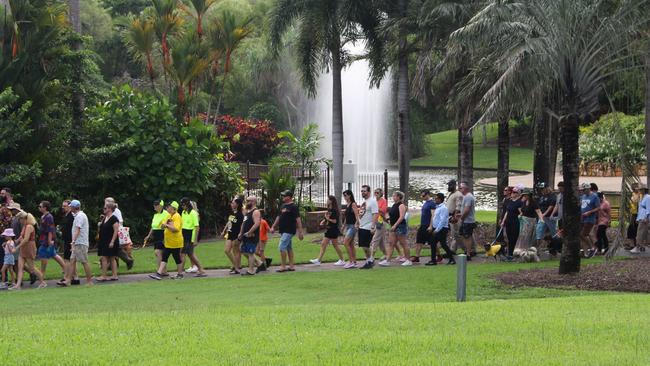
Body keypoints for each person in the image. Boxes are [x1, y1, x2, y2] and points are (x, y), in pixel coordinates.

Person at [59, 200, 93, 286]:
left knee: (84, 261)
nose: (70, 208)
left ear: (74, 207)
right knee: (72, 261)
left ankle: (89, 281)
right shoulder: (78, 215)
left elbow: (78, 229)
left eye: (71, 206)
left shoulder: (80, 216)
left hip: (80, 242)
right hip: (77, 242)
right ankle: (68, 280)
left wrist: (73, 241)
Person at [10, 212, 46, 290]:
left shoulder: (29, 226)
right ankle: (17, 285)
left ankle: (42, 282)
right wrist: (15, 241)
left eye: (20, 219)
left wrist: (17, 247)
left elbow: (26, 239)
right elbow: (21, 237)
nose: (19, 221)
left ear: (24, 219)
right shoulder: (24, 226)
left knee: (32, 268)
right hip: (23, 248)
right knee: (20, 267)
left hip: (29, 247)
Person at [270, 190, 303, 272]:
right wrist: (273, 226)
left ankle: (283, 266)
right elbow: (278, 217)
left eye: (284, 196)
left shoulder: (293, 207)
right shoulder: (282, 206)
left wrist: (300, 231)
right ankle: (291, 266)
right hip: (283, 230)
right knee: (288, 247)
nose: (283, 197)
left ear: (289, 197)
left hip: (289, 230)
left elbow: (298, 219)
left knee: (281, 247)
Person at [149, 201, 184, 280]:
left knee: (177, 258)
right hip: (169, 242)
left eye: (169, 206)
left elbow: (176, 229)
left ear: (173, 208)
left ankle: (180, 274)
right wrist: (163, 225)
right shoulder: (169, 216)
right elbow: (163, 226)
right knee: (164, 257)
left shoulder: (176, 216)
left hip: (175, 242)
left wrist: (167, 225)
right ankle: (159, 274)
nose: (167, 207)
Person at [310, 195, 345, 266]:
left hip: (333, 230)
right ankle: (318, 260)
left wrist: (327, 219)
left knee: (335, 245)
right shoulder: (329, 209)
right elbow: (327, 218)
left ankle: (342, 260)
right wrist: (323, 221)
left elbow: (335, 221)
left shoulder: (334, 211)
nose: (327, 200)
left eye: (328, 199)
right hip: (329, 229)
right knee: (324, 244)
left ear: (331, 201)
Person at [379, 191, 411, 266]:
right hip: (393, 226)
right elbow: (393, 215)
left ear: (398, 197)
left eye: (394, 196)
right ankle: (387, 260)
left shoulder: (401, 205)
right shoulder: (394, 205)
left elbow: (401, 217)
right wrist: (388, 220)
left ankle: (408, 260)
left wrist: (395, 225)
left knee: (403, 243)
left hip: (400, 226)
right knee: (391, 243)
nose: (393, 197)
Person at [37, 201, 66, 277]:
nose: (39, 208)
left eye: (40, 206)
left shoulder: (49, 217)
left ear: (45, 208)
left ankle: (42, 274)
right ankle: (66, 268)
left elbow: (50, 229)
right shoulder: (43, 216)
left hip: (47, 239)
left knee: (43, 255)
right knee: (53, 254)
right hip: (43, 238)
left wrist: (49, 240)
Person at [426, 193, 456, 265]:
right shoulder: (438, 207)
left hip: (441, 229)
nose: (435, 200)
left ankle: (435, 260)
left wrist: (437, 230)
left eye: (436, 198)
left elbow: (442, 221)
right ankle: (435, 260)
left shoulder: (443, 208)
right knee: (438, 244)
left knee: (439, 244)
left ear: (440, 199)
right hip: (437, 228)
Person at [105, 197, 134, 270]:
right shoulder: (108, 211)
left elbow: (120, 222)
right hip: (111, 232)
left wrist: (115, 229)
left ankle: (126, 261)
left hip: (115, 232)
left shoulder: (116, 211)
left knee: (116, 249)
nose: (104, 204)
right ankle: (113, 264)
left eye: (105, 202)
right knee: (115, 249)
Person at [180, 198, 207, 277]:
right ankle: (201, 270)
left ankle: (180, 273)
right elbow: (183, 224)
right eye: (181, 205)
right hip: (184, 234)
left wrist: (195, 240)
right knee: (190, 254)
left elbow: (197, 227)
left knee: (183, 254)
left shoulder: (193, 213)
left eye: (183, 205)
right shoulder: (183, 212)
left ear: (187, 204)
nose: (182, 206)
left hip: (190, 235)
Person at [513, 190, 544, 257]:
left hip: (531, 221)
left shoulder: (533, 203)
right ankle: (521, 250)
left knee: (529, 236)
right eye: (524, 195)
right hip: (524, 221)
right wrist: (520, 215)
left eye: (526, 195)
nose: (525, 196)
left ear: (529, 195)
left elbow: (538, 211)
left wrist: (541, 219)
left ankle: (529, 250)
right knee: (523, 235)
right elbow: (523, 211)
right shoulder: (524, 202)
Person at [143, 200, 168, 277]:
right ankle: (164, 271)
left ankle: (159, 271)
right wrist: (148, 235)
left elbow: (166, 225)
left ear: (160, 206)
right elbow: (153, 227)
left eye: (156, 205)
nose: (154, 207)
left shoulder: (166, 214)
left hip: (163, 234)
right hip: (156, 235)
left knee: (158, 252)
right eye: (154, 205)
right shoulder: (156, 215)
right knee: (160, 253)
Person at [97, 202, 120, 282]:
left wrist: (112, 241)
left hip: (110, 241)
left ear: (110, 209)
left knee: (106, 258)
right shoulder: (105, 218)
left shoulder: (114, 219)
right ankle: (114, 275)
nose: (104, 209)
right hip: (104, 241)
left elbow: (115, 231)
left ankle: (104, 276)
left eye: (105, 208)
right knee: (110, 258)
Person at [238, 196, 261, 275]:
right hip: (245, 235)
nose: (247, 202)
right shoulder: (247, 212)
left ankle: (251, 271)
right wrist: (241, 233)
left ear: (254, 202)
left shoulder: (256, 211)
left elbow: (257, 223)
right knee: (243, 250)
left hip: (252, 235)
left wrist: (250, 232)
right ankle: (259, 263)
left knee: (250, 252)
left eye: (249, 201)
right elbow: (243, 223)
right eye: (246, 201)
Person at [358, 185, 379, 269]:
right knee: (363, 245)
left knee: (366, 245)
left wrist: (373, 226)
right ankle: (369, 261)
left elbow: (375, 214)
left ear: (369, 192)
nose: (363, 192)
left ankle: (370, 261)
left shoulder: (372, 201)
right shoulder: (365, 202)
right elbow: (363, 213)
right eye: (362, 191)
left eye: (364, 191)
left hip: (368, 226)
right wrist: (358, 222)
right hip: (362, 226)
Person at [413, 190, 436, 263]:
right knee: (419, 241)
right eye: (421, 196)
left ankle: (438, 255)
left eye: (423, 196)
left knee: (431, 242)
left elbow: (433, 215)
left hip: (427, 225)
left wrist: (431, 226)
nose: (422, 197)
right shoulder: (426, 203)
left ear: (428, 195)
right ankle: (417, 256)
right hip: (423, 225)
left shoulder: (432, 203)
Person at [60, 200, 79, 285]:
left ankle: (67, 277)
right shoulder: (66, 216)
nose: (63, 207)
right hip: (67, 239)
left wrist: (73, 241)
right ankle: (74, 277)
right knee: (71, 259)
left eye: (65, 206)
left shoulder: (72, 216)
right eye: (63, 206)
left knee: (67, 259)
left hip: (70, 240)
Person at [500, 187, 523, 259]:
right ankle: (510, 253)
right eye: (512, 192)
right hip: (508, 222)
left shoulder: (519, 202)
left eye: (514, 192)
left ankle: (512, 253)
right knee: (509, 238)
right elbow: (507, 212)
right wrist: (503, 221)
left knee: (514, 238)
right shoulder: (510, 201)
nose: (512, 193)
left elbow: (521, 212)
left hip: (515, 222)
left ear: (518, 194)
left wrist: (520, 215)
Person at [580, 182, 600, 258]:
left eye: (584, 190)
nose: (583, 191)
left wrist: (590, 212)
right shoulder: (583, 196)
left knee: (583, 234)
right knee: (581, 235)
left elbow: (598, 208)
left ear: (588, 189)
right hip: (582, 218)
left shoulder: (594, 196)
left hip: (590, 219)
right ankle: (586, 251)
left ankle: (592, 247)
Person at [224, 196, 244, 274]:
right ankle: (235, 265)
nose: (231, 204)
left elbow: (242, 225)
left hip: (236, 234)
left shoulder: (240, 215)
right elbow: (229, 222)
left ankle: (236, 268)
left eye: (233, 203)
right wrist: (224, 231)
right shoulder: (231, 212)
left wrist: (240, 234)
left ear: (237, 204)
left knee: (236, 251)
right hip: (230, 234)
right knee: (227, 250)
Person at [457, 182, 476, 260]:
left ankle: (468, 253)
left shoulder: (468, 197)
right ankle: (468, 251)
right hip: (466, 220)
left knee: (467, 236)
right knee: (464, 236)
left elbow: (467, 209)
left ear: (465, 188)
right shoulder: (466, 196)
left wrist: (462, 217)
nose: (459, 189)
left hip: (468, 221)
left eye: (460, 188)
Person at [341, 190, 360, 268]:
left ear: (349, 195)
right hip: (348, 225)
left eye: (345, 195)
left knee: (345, 242)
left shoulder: (353, 204)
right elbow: (346, 217)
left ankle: (351, 261)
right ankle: (354, 261)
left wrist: (357, 223)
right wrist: (343, 226)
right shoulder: (347, 204)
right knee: (351, 244)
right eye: (344, 195)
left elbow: (356, 215)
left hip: (353, 226)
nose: (344, 197)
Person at [535, 183, 557, 249]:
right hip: (542, 217)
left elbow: (551, 206)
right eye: (541, 189)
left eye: (543, 188)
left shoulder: (552, 196)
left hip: (550, 217)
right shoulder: (542, 197)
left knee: (554, 233)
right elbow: (539, 206)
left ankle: (555, 247)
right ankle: (538, 248)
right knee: (539, 231)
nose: (542, 190)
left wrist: (544, 214)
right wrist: (541, 214)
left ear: (547, 188)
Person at [446, 180, 464, 252]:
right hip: (450, 216)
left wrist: (455, 217)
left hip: (454, 217)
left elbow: (458, 207)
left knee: (457, 235)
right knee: (454, 235)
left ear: (454, 185)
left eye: (450, 185)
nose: (448, 187)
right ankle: (452, 250)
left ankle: (466, 250)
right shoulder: (451, 194)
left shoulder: (458, 194)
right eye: (448, 185)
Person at [371, 188, 388, 261]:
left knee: (375, 239)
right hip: (374, 221)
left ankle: (371, 256)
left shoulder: (383, 201)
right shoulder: (373, 201)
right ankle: (386, 255)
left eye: (377, 193)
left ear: (381, 194)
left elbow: (383, 210)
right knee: (381, 242)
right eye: (375, 192)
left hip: (380, 221)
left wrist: (375, 207)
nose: (376, 194)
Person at [632, 184, 650, 254]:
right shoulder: (641, 197)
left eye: (640, 189)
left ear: (644, 190)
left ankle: (638, 246)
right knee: (643, 233)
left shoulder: (648, 197)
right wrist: (637, 218)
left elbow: (648, 208)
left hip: (644, 218)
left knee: (640, 233)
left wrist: (646, 217)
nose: (639, 191)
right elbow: (640, 209)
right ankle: (642, 247)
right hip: (641, 217)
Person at [627, 183, 640, 249]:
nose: (634, 189)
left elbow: (637, 202)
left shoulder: (640, 195)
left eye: (635, 187)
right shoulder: (632, 194)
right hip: (633, 213)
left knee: (637, 229)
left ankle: (637, 244)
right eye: (633, 188)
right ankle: (632, 245)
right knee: (631, 229)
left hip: (638, 214)